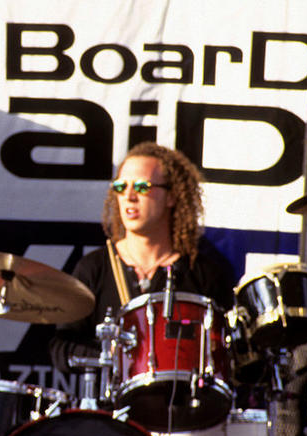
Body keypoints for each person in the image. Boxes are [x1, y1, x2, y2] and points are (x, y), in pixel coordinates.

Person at [50, 142, 234, 372]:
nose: (129, 196)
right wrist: (117, 358)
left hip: (180, 405)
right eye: (120, 187)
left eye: (142, 187)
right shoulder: (94, 267)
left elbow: (226, 351)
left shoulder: (203, 273)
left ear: (171, 197)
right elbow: (62, 347)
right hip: (109, 406)